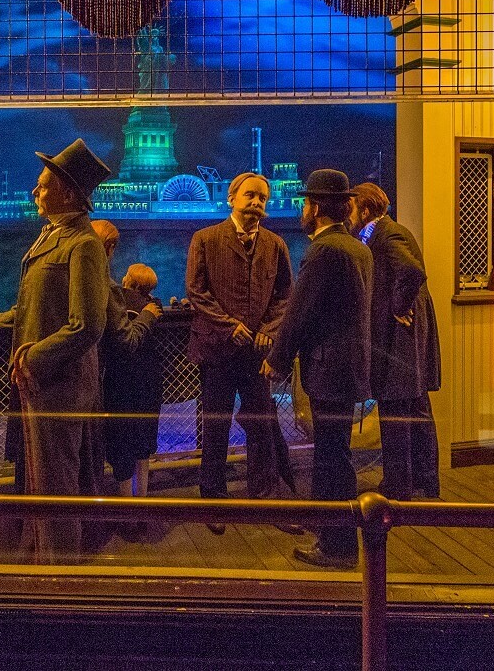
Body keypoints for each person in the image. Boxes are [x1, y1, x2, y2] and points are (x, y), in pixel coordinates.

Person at [0, 139, 112, 563]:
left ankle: (59, 575)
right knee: (39, 480)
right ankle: (43, 561)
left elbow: (88, 325)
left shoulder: (82, 245)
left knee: (55, 487)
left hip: (59, 385)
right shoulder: (53, 237)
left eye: (43, 186)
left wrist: (32, 357)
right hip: (42, 383)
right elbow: (30, 307)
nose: (35, 193)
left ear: (67, 192)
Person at [263, 169, 373, 569]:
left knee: (331, 458)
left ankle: (337, 545)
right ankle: (333, 531)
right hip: (351, 368)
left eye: (305, 203)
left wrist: (275, 359)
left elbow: (299, 313)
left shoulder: (323, 251)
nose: (301, 209)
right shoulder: (358, 247)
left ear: (316, 208)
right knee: (336, 453)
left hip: (328, 369)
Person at [185, 171, 298, 535]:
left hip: (255, 353)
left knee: (261, 426)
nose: (257, 203)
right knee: (215, 427)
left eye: (262, 198)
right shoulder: (204, 239)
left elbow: (285, 294)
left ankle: (264, 499)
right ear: (231, 198)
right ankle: (213, 502)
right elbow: (196, 291)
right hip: (217, 350)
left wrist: (267, 330)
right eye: (250, 195)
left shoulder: (276, 245)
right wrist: (228, 325)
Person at [349, 182, 441, 501]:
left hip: (400, 340)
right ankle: (426, 482)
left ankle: (398, 485)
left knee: (396, 411)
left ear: (365, 209)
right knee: (416, 409)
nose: (347, 215)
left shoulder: (387, 235)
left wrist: (397, 306)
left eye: (351, 207)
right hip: (408, 339)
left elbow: (412, 271)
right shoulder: (389, 232)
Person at [92, 218, 163, 502]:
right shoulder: (155, 308)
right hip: (149, 385)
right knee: (143, 446)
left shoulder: (115, 295)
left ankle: (125, 508)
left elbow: (122, 342)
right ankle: (142, 503)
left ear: (128, 281)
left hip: (118, 383)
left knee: (121, 445)